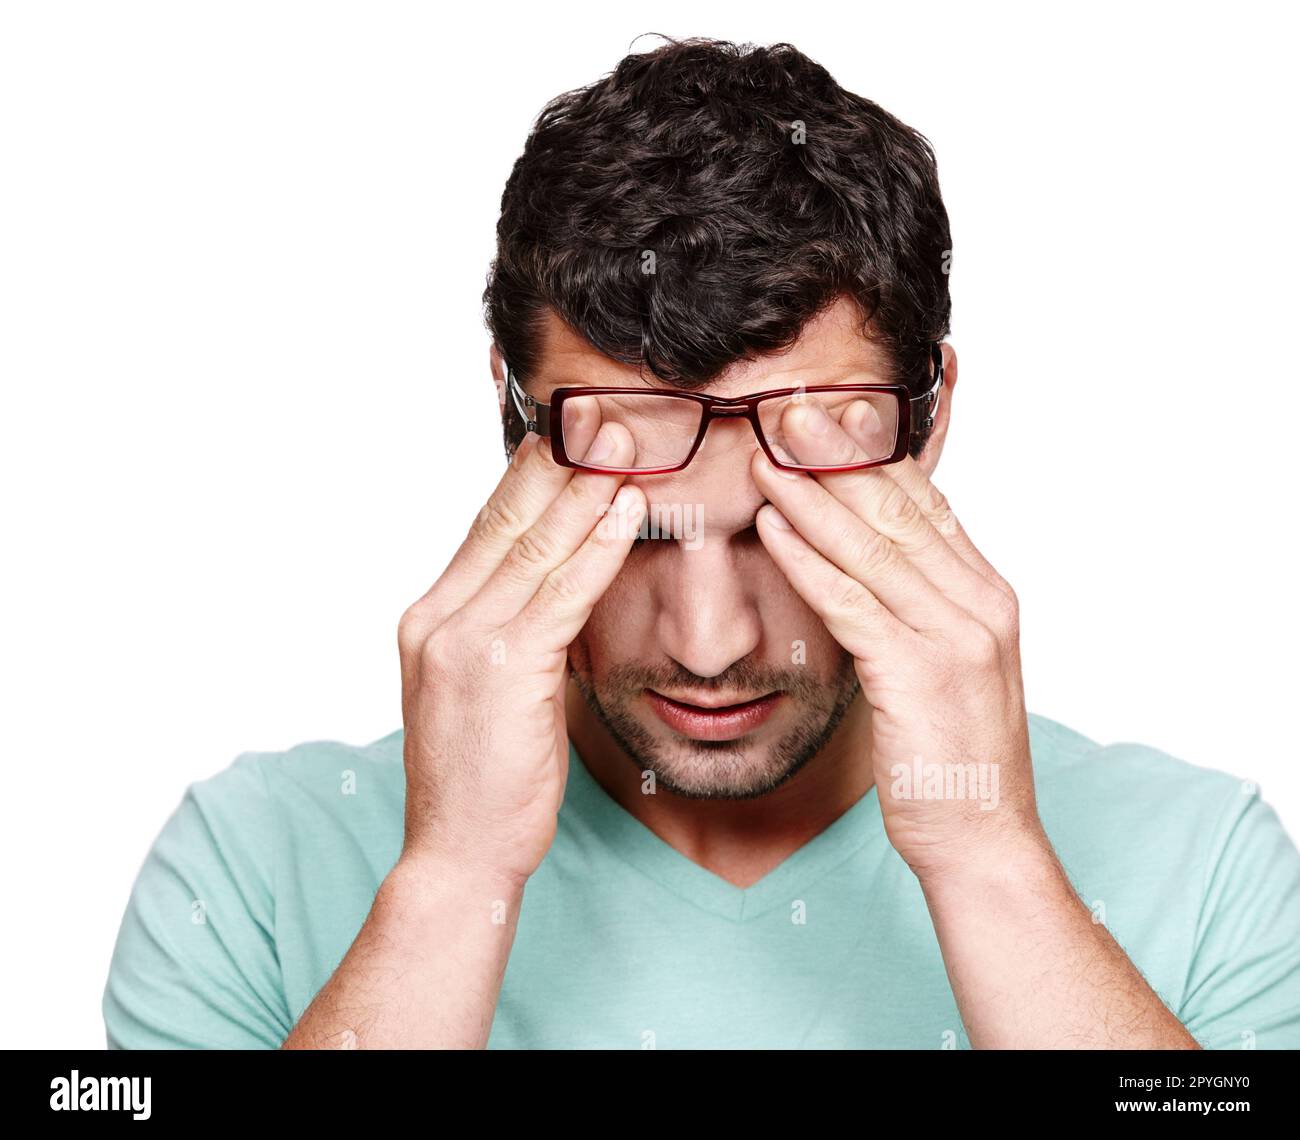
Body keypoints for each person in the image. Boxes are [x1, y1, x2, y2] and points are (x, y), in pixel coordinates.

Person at [104, 37, 1300, 1050]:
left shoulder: (1199, 868)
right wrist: (453, 877)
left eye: (784, 529)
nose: (712, 645)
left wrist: (986, 853)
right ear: (510, 418)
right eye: (632, 529)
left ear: (925, 423)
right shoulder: (253, 867)